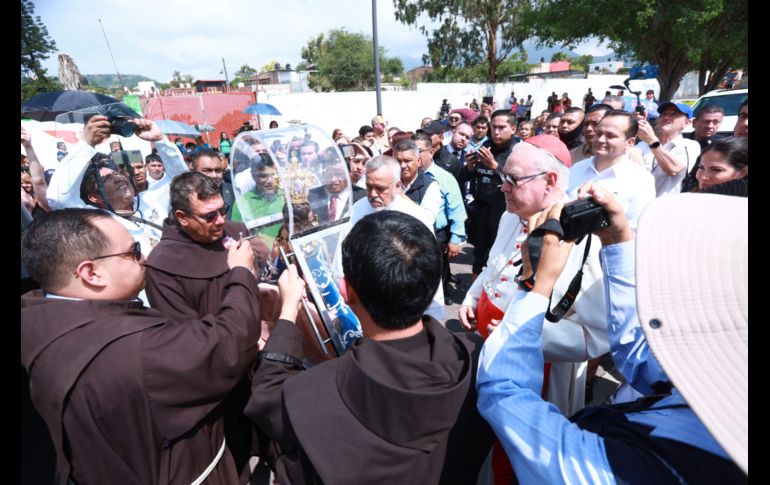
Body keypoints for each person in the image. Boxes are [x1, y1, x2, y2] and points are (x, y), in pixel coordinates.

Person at [476, 189, 747, 483]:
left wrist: (534, 284)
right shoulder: (720, 382)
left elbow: (503, 391)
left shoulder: (621, 470)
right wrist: (616, 241)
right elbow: (642, 361)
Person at [245, 211, 494, 485]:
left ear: (346, 290)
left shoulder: (317, 391)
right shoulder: (481, 358)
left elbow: (267, 396)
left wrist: (288, 309)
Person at [21, 208, 262, 484]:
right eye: (133, 252)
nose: (145, 258)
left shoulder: (40, 321)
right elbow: (231, 341)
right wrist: (242, 272)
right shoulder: (136, 347)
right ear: (91, 273)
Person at [568, 110, 655, 232]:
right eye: (598, 133)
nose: (600, 140)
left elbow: (636, 229)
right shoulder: (577, 168)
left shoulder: (641, 180)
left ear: (629, 142)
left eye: (610, 136)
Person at [637, 102, 702, 197]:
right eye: (664, 114)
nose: (667, 117)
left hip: (666, 207)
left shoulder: (690, 145)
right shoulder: (642, 144)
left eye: (674, 114)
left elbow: (673, 169)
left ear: (687, 123)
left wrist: (652, 141)